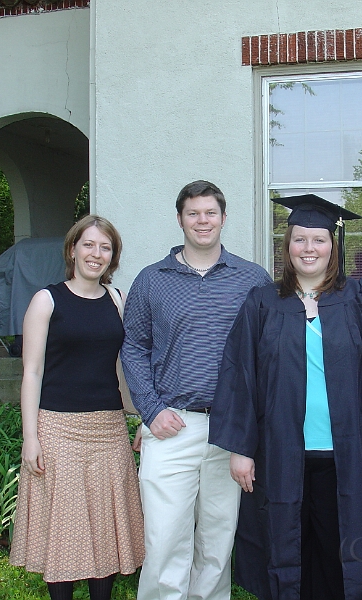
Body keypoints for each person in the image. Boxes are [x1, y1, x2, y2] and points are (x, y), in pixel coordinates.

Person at [209, 194, 362, 600]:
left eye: (318, 239)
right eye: (300, 240)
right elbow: (239, 374)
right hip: (282, 457)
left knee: (342, 555)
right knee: (290, 553)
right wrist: (241, 449)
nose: (309, 249)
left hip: (348, 457)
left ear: (333, 246)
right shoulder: (263, 303)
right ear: (288, 246)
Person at [121, 180, 272, 600]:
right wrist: (149, 412)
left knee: (217, 544)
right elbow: (133, 346)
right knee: (165, 540)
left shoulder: (252, 279)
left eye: (210, 213)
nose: (202, 221)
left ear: (224, 218)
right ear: (179, 220)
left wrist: (253, 424)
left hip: (230, 430)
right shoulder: (152, 280)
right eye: (193, 213)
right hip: (173, 425)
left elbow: (266, 354)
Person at [9, 215, 144, 600]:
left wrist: (139, 418)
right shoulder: (46, 300)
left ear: (112, 257)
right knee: (64, 529)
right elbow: (32, 372)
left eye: (105, 247)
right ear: (72, 250)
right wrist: (30, 437)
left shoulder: (116, 300)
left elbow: (119, 366)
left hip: (108, 429)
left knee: (104, 527)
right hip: (58, 429)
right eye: (89, 245)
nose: (96, 254)